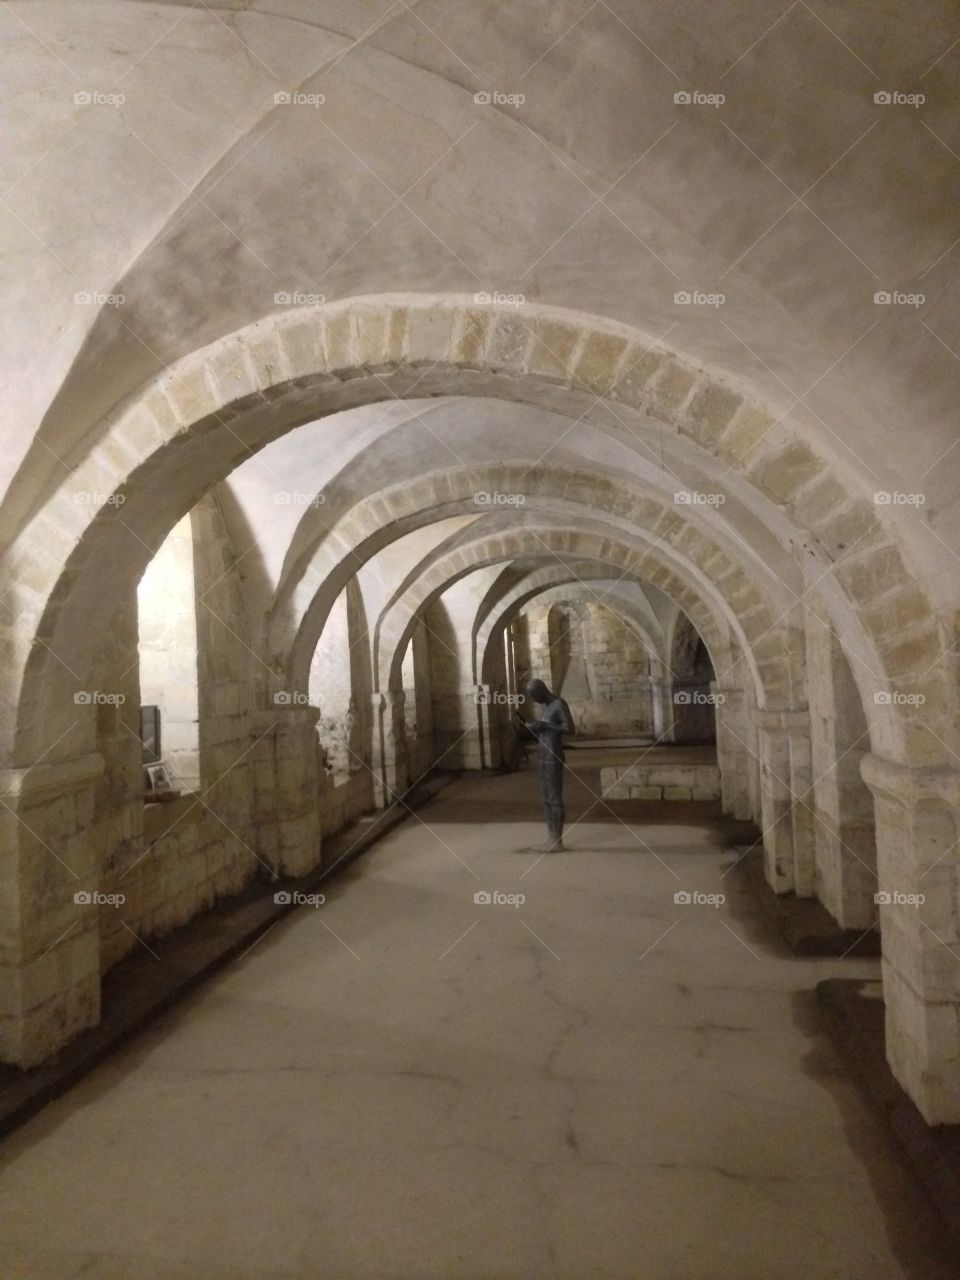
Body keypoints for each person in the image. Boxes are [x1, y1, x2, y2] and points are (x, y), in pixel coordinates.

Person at [524, 678, 575, 852]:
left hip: (553, 754)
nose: (535, 701)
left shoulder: (559, 704)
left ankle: (557, 840)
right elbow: (547, 728)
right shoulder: (544, 705)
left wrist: (544, 726)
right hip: (542, 753)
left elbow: (569, 729)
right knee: (545, 799)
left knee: (554, 798)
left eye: (535, 697)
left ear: (542, 691)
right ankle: (550, 837)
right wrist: (537, 728)